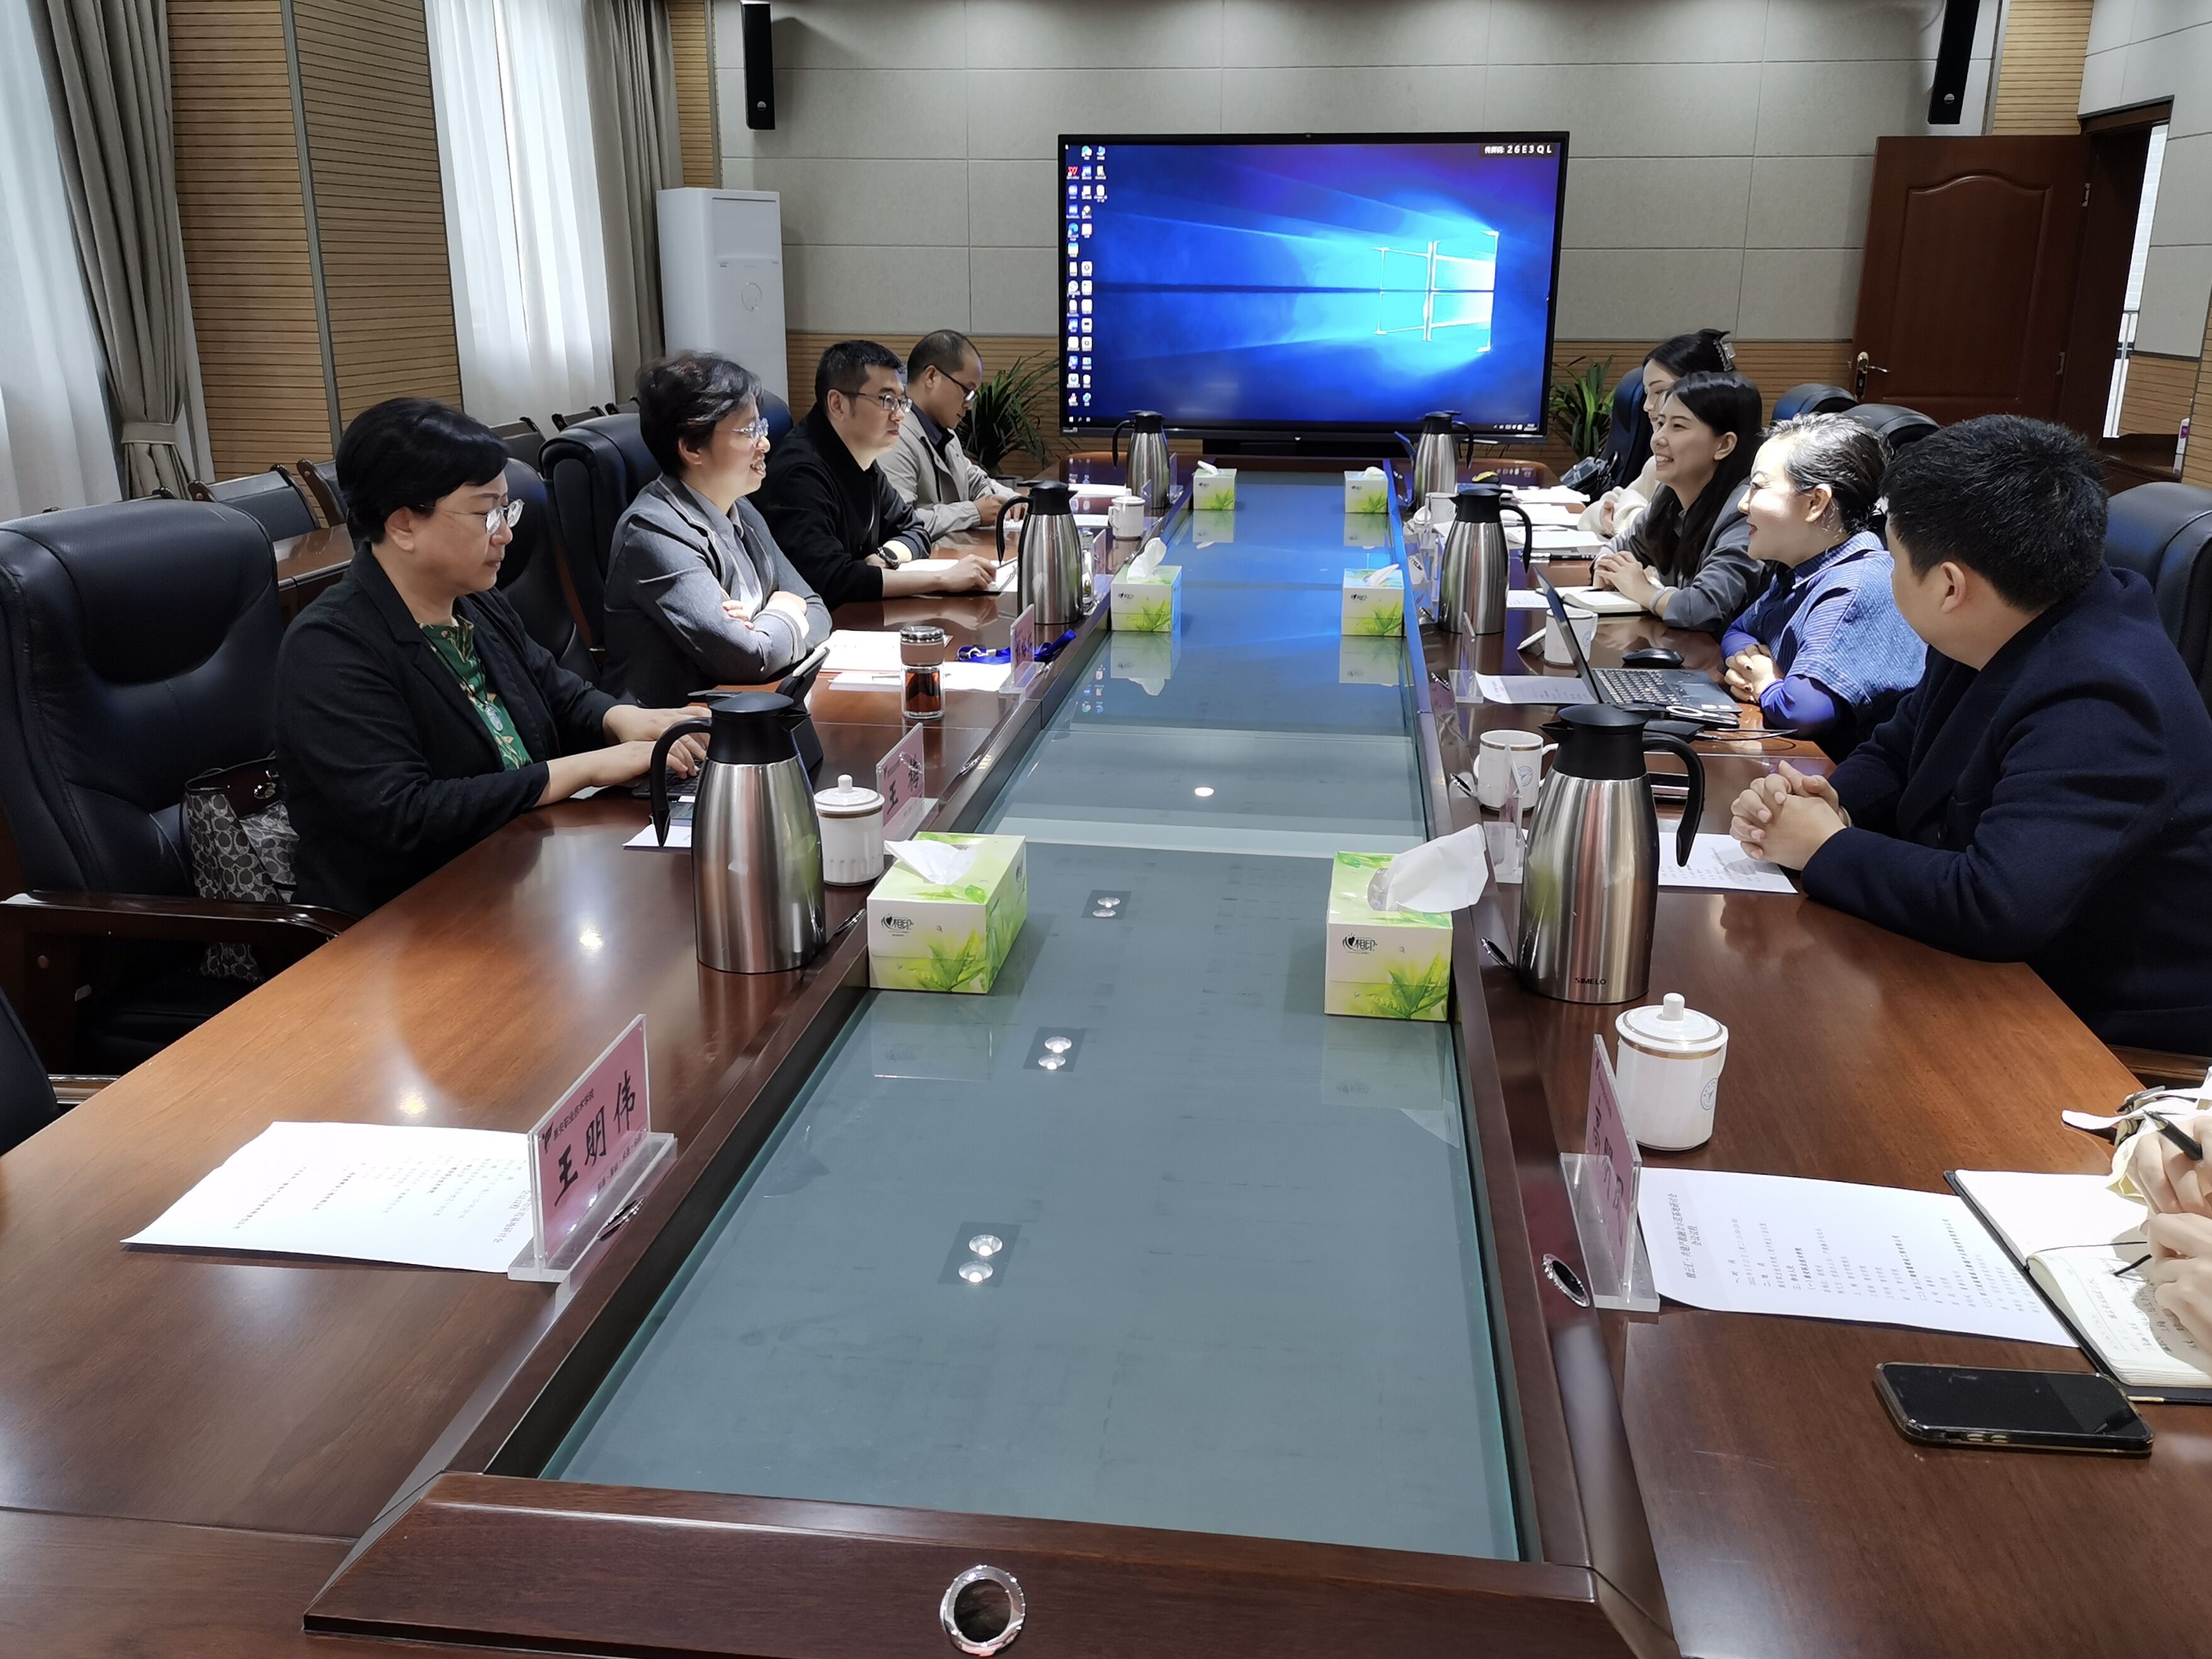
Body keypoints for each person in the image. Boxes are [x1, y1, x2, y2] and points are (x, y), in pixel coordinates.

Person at [1728, 416, 2212, 1053]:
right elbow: (1898, 748)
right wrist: (1828, 801)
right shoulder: (2002, 618)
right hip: (1994, 973)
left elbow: (1996, 903)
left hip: (2097, 1030)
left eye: (1895, 561)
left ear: (1951, 586)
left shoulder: (2104, 698)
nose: (1888, 576)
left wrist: (1825, 847)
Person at [277, 399, 708, 917]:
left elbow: (556, 692)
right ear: (404, 524)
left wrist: (625, 719)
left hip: (520, 868)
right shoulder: (330, 646)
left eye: (507, 509)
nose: (505, 533)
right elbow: (406, 813)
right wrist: (589, 767)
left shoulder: (475, 603)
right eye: (486, 514)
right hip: (408, 917)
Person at [603, 353, 831, 706]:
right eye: (749, 430)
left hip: (748, 707)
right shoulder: (653, 531)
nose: (765, 444)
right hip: (678, 728)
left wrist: (766, 625)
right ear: (692, 446)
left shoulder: (740, 508)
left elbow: (816, 607)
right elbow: (749, 658)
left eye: (761, 427)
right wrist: (784, 608)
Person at [1720, 414, 1924, 758]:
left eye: (1758, 487)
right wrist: (1752, 664)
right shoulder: (1804, 569)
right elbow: (1737, 631)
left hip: (1848, 781)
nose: (1743, 504)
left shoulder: (1854, 584)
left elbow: (1804, 711)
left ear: (1815, 502)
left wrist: (1765, 683)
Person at [756, 339, 995, 608]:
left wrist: (887, 556)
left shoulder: (861, 457)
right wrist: (942, 579)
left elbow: (914, 528)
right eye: (887, 400)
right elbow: (830, 580)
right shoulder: (800, 473)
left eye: (901, 402)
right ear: (837, 404)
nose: (899, 415)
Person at [1589, 370, 1767, 635]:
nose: (1658, 439)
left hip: (1722, 657)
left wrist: (1644, 591)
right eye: (1661, 423)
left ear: (1724, 445)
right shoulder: (1670, 494)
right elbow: (1621, 546)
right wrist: (1605, 565)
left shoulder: (1745, 511)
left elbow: (1703, 608)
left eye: (1678, 427)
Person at [1579, 328, 1734, 540]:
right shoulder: (1659, 462)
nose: (1647, 406)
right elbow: (1600, 510)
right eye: (1646, 393)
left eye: (1660, 392)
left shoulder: (1727, 480)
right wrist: (1611, 515)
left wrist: (1623, 516)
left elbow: (1659, 538)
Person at [880, 329, 1018, 541]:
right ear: (931, 377)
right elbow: (899, 522)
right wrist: (973, 513)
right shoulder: (894, 435)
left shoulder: (946, 434)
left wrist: (1013, 501)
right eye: (967, 391)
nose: (969, 405)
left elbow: (976, 482)